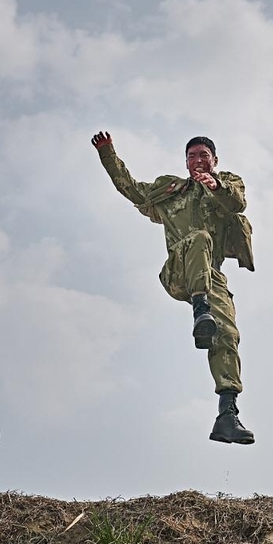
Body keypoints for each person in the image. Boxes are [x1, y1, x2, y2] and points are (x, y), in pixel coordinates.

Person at [91, 130, 256, 445]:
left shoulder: (227, 184)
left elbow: (237, 201)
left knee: (228, 335)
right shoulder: (172, 192)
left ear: (215, 161)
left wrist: (216, 186)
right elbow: (131, 188)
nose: (198, 161)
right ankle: (200, 309)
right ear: (185, 162)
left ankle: (227, 415)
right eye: (192, 156)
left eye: (203, 156)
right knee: (199, 239)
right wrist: (108, 153)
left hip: (212, 276)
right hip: (179, 269)